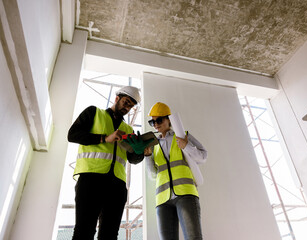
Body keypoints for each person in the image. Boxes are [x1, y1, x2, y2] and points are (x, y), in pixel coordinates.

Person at [68, 86, 150, 240]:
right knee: (84, 231)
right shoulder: (94, 113)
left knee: (110, 234)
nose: (127, 108)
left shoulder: (128, 129)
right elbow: (72, 135)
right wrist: (104, 138)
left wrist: (140, 152)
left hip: (117, 186)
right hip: (91, 180)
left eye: (131, 106)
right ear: (117, 98)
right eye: (126, 103)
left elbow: (132, 159)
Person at [144, 102, 208, 240]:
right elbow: (153, 175)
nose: (155, 124)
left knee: (193, 238)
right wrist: (148, 156)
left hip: (185, 195)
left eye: (159, 120)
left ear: (169, 119)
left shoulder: (183, 135)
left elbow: (203, 157)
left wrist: (186, 146)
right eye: (152, 122)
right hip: (162, 200)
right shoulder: (153, 143)